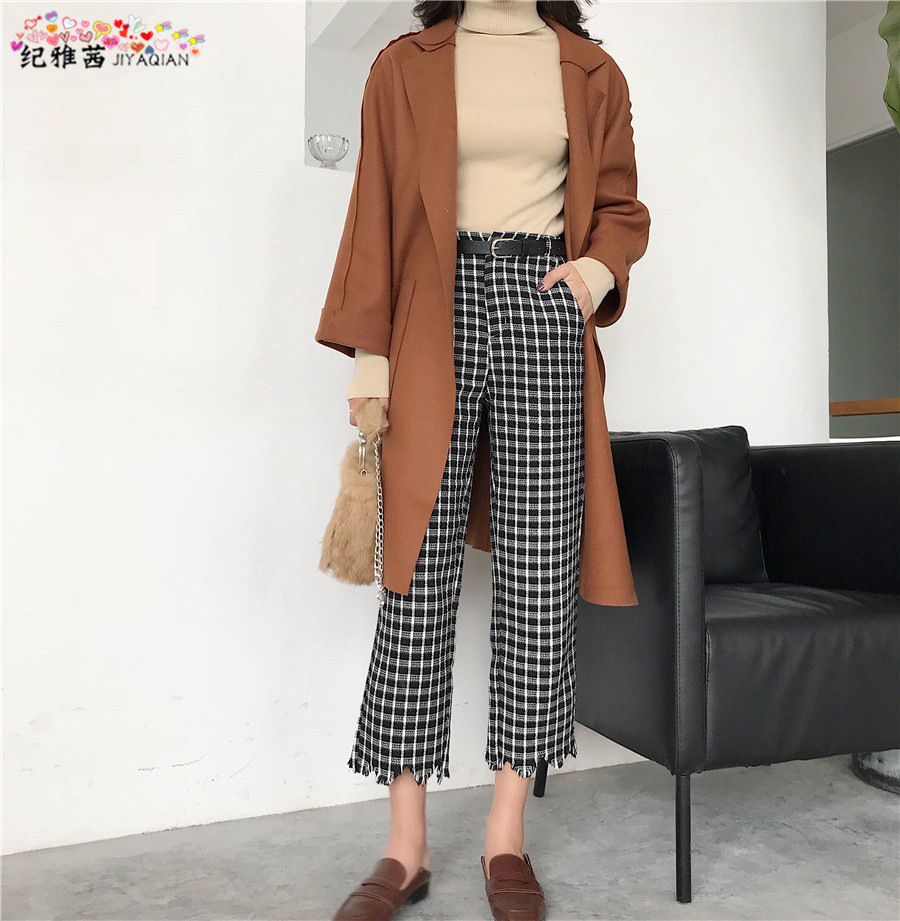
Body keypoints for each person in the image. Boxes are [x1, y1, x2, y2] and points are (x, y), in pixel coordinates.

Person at [324, 2, 651, 919]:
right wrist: (370, 355)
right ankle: (405, 846)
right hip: (431, 300)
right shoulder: (404, 64)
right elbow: (375, 208)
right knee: (416, 574)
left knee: (539, 572)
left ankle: (506, 835)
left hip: (543, 305)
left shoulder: (590, 70)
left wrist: (593, 275)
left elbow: (621, 206)